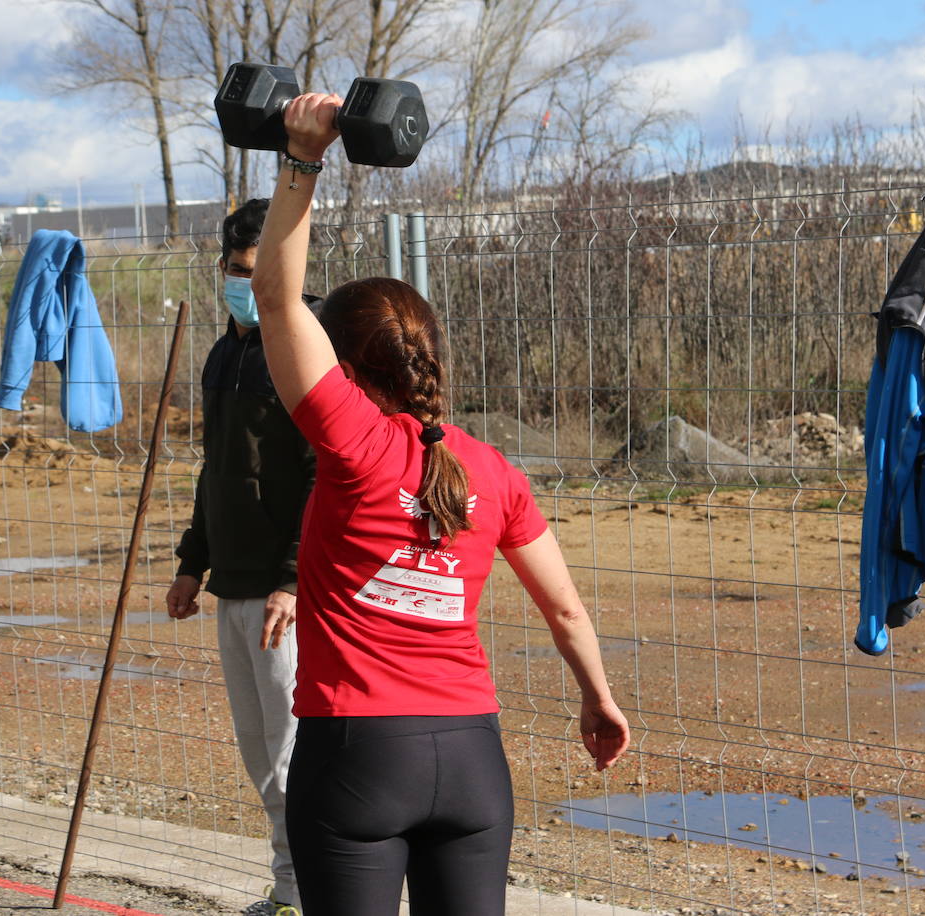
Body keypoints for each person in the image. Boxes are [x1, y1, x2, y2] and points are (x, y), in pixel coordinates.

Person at [247, 93, 631, 916]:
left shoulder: (352, 443)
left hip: (356, 756)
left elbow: (276, 301)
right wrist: (598, 699)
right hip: (471, 761)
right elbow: (564, 611)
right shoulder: (493, 471)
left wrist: (304, 160)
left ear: (345, 365)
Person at [167, 199, 316, 916]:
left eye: (262, 273)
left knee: (297, 760)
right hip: (233, 584)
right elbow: (215, 467)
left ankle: (313, 893)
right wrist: (192, 562)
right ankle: (289, 889)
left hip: (289, 595)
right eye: (237, 271)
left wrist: (294, 579)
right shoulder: (225, 351)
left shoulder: (308, 344)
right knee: (261, 757)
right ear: (222, 266)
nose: (248, 287)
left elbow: (327, 475)